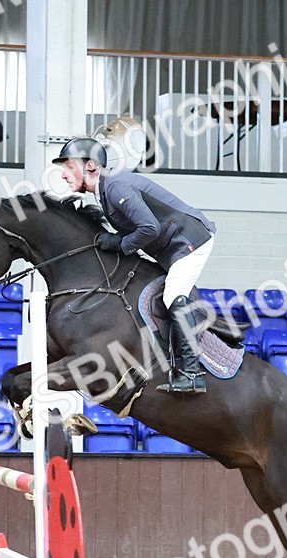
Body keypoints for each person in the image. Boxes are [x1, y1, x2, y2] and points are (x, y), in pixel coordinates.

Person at [52, 137, 216, 395]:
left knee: (174, 295)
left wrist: (120, 244)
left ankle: (192, 373)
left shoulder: (116, 187)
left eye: (68, 166)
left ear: (91, 165)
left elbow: (149, 228)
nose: (63, 175)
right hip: (172, 245)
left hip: (191, 241)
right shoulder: (105, 191)